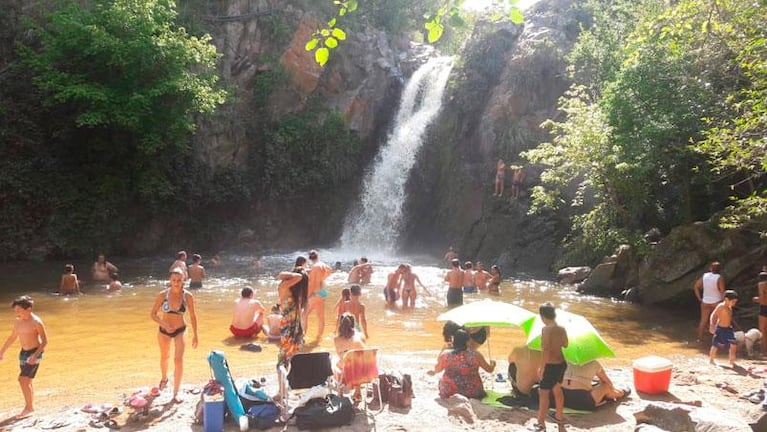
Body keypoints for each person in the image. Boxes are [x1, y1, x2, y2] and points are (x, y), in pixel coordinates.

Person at [150, 267, 198, 403]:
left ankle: (176, 392)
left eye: (179, 280)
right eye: (174, 280)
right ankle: (164, 378)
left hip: (180, 330)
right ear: (170, 280)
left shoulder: (187, 296)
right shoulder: (162, 295)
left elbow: (193, 316)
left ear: (183, 280)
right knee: (165, 356)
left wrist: (195, 334)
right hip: (164, 330)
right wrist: (164, 324)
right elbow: (152, 314)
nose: (176, 282)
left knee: (178, 359)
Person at [0, 296, 48, 418]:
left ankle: (29, 408)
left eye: (19, 310)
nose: (17, 312)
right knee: (27, 381)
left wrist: (34, 356)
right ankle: (30, 406)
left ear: (29, 309)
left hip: (34, 353)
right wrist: (2, 351)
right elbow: (12, 337)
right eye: (16, 310)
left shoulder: (36, 322)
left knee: (22, 380)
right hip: (23, 353)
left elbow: (44, 342)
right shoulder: (18, 321)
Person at [429, 329, 496, 399]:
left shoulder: (445, 355)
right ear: (467, 342)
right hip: (472, 392)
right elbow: (489, 370)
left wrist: (433, 372)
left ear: (454, 341)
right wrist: (493, 364)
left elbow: (438, 370)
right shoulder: (476, 355)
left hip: (449, 391)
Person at [536, 303, 568, 431]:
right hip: (561, 363)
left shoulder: (546, 330)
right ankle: (559, 416)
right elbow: (565, 344)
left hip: (550, 365)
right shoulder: (562, 328)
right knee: (557, 389)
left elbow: (546, 350)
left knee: (543, 394)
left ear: (543, 316)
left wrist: (542, 368)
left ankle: (541, 423)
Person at [560, 360, 629, 410]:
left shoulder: (562, 360)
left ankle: (614, 393)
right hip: (583, 402)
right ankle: (621, 393)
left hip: (559, 398)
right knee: (606, 386)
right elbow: (608, 383)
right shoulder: (594, 363)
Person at [277, 257, 308, 366]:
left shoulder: (296, 292)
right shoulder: (284, 286)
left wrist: (302, 328)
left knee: (294, 351)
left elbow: (299, 311)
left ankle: (291, 372)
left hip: (294, 324)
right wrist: (300, 272)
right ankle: (283, 369)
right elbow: (281, 275)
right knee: (285, 351)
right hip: (287, 324)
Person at [334, 313, 366, 401]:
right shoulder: (361, 336)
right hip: (363, 371)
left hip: (347, 371)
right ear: (353, 324)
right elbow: (363, 352)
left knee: (335, 363)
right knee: (357, 362)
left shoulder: (336, 339)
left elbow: (339, 355)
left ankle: (340, 392)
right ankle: (358, 391)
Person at [302, 250, 333, 340]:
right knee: (320, 316)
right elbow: (330, 270)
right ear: (317, 256)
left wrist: (307, 295)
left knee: (304, 314)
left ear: (310, 258)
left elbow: (313, 284)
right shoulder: (322, 264)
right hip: (323, 291)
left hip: (316, 292)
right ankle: (319, 338)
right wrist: (323, 278)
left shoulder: (315, 267)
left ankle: (303, 336)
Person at [694, 261, 726, 342]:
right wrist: (724, 303)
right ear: (720, 269)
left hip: (705, 302)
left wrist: (699, 299)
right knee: (718, 322)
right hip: (716, 302)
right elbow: (722, 291)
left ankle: (699, 339)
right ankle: (717, 341)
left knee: (703, 321)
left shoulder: (705, 275)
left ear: (710, 268)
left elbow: (696, 286)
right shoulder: (719, 277)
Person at [709, 290, 739, 366]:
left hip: (728, 329)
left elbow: (730, 318)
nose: (734, 304)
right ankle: (711, 360)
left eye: (735, 302)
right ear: (726, 299)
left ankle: (732, 360)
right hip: (720, 329)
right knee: (716, 345)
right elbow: (713, 315)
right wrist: (712, 325)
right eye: (733, 302)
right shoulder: (721, 306)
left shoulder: (729, 307)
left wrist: (736, 326)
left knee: (733, 344)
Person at [752, 271, 767, 356]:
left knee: (763, 331)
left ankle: (764, 351)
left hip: (764, 308)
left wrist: (756, 299)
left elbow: (762, 298)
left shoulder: (761, 284)